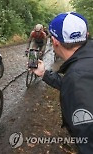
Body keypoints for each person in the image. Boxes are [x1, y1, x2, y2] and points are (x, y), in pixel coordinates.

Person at [32, 12, 93, 153]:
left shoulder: (77, 78)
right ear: (86, 35)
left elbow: (89, 142)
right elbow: (73, 86)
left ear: (54, 42)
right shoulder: (82, 68)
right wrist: (44, 74)